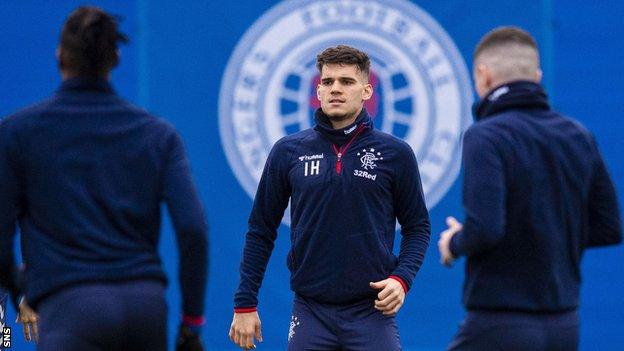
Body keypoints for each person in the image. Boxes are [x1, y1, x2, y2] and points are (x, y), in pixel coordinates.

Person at [0, 6, 208, 351]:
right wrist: (191, 326)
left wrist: (21, 283)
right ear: (114, 58)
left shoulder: (17, 133)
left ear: (60, 56)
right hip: (145, 311)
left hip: (68, 308)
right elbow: (193, 229)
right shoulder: (158, 135)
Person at [229, 45, 431, 350]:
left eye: (346, 82)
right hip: (311, 311)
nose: (335, 88)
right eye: (327, 82)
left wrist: (401, 279)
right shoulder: (288, 151)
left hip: (371, 310)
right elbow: (260, 230)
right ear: (319, 91)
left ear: (366, 91)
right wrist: (245, 303)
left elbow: (418, 227)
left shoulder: (395, 153)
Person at [438, 26, 622, 350]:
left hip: (498, 328)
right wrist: (548, 232)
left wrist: (454, 242)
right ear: (536, 76)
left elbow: (486, 230)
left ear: (483, 75)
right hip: (564, 328)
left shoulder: (485, 136)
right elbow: (609, 227)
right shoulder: (578, 135)